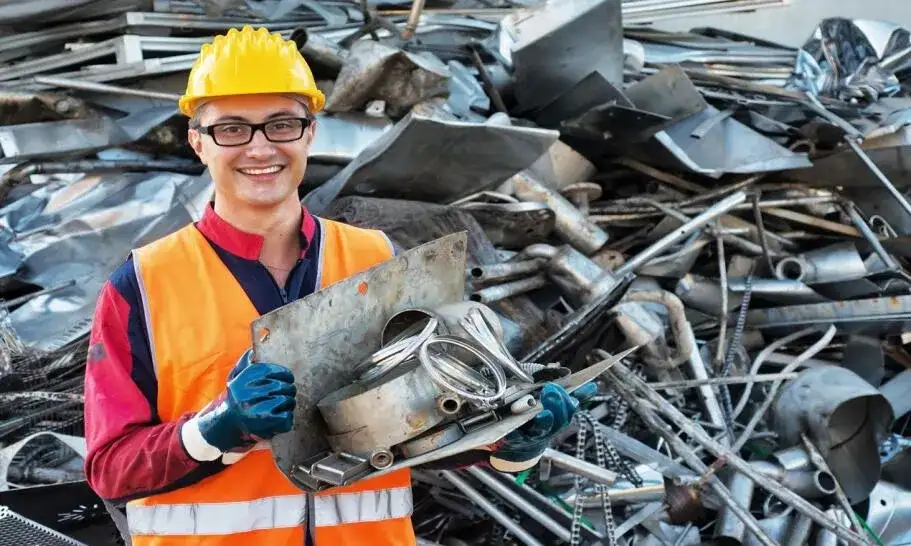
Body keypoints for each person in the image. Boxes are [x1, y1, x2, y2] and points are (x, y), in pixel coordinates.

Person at [83, 25, 594, 546]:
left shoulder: (377, 260)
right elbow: (110, 470)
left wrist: (514, 441)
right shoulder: (145, 284)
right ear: (198, 142)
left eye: (281, 124)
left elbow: (429, 426)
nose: (260, 148)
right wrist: (216, 428)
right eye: (232, 129)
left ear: (310, 132)